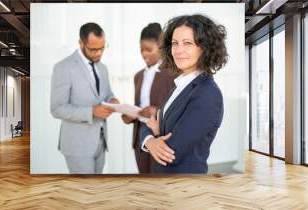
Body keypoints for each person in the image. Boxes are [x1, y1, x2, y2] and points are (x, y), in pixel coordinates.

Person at [140, 14, 228, 173]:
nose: (178, 50)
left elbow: (172, 152)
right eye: (175, 43)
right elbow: (149, 124)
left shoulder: (208, 94)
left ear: (205, 47)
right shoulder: (179, 87)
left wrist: (153, 138)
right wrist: (151, 139)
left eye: (187, 43)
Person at [51, 22, 119, 174]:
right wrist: (91, 112)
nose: (99, 53)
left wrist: (113, 101)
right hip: (77, 145)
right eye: (93, 49)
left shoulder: (103, 68)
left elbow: (107, 94)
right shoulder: (63, 67)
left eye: (102, 48)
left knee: (96, 192)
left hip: (101, 142)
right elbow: (57, 108)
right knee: (84, 194)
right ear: (81, 43)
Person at [122, 23, 176, 174]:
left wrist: (156, 110)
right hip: (140, 136)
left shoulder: (173, 73)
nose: (144, 54)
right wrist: (129, 115)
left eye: (148, 50)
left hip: (161, 136)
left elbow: (178, 106)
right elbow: (139, 106)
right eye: (141, 50)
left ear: (160, 47)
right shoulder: (138, 76)